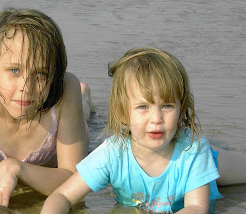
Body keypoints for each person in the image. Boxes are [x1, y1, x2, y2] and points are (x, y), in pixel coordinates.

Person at [41, 47, 246, 214]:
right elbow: (62, 196)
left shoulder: (194, 153)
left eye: (167, 106)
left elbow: (195, 208)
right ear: (122, 113)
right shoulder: (113, 153)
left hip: (201, 159)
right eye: (143, 107)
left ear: (181, 109)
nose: (156, 119)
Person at [0, 7, 95, 213]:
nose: (26, 88)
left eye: (40, 74)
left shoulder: (64, 88)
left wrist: (14, 167)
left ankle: (83, 98)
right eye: (14, 70)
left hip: (56, 117)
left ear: (55, 75)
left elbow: (73, 180)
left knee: (84, 118)